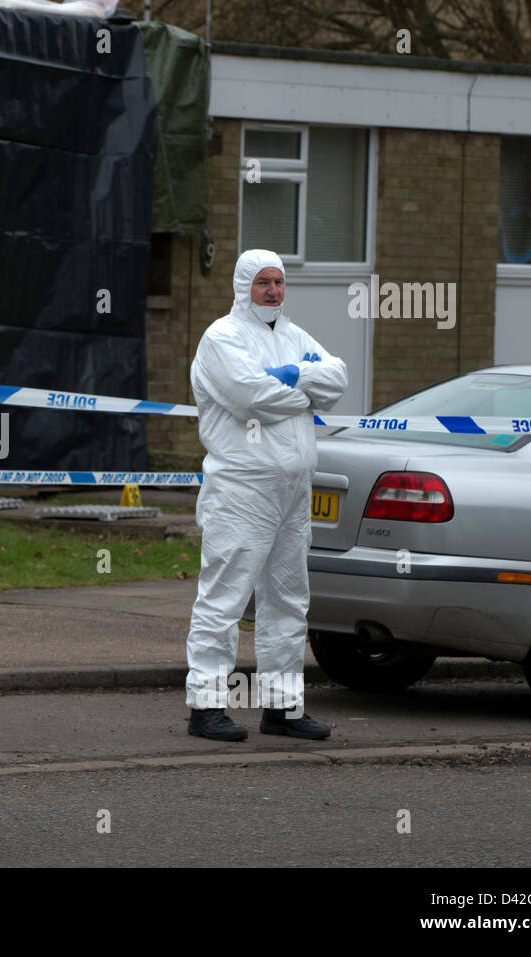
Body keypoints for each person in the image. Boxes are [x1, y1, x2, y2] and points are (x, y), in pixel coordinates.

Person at [185, 248, 348, 741]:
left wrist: (292, 375)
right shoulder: (222, 337)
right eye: (262, 283)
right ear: (242, 287)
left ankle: (282, 707)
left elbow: (338, 379)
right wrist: (304, 393)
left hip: (293, 490)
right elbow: (249, 397)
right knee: (224, 597)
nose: (273, 290)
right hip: (242, 489)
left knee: (288, 600)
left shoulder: (295, 336)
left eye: (278, 282)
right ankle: (206, 706)